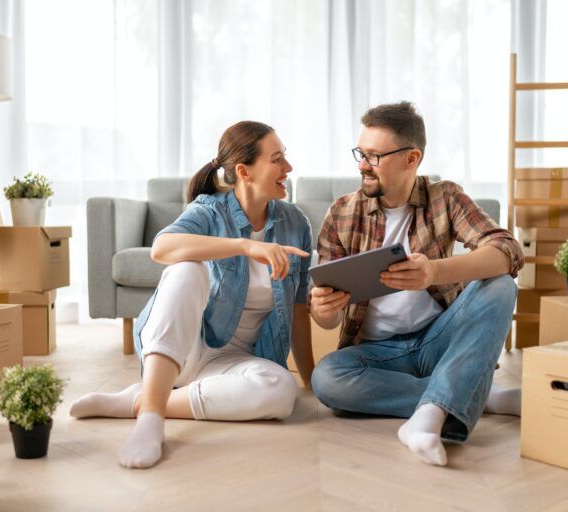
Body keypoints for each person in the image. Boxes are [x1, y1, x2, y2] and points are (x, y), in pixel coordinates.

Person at [70, 121, 314, 469]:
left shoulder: (295, 222)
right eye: (277, 159)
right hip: (183, 351)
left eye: (285, 157)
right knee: (187, 269)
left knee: (281, 392)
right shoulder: (210, 209)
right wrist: (244, 246)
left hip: (235, 364)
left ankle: (139, 401)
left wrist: (308, 379)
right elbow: (162, 248)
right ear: (244, 171)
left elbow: (298, 306)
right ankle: (150, 421)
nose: (287, 168)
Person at [309, 102, 524, 467]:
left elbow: (507, 250)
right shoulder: (342, 213)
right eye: (361, 153)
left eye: (374, 156)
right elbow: (326, 322)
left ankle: (427, 417)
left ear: (412, 159)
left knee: (501, 285)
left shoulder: (446, 197)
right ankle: (471, 393)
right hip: (378, 355)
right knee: (328, 379)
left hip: (438, 340)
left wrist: (434, 272)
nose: (362, 164)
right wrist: (323, 311)